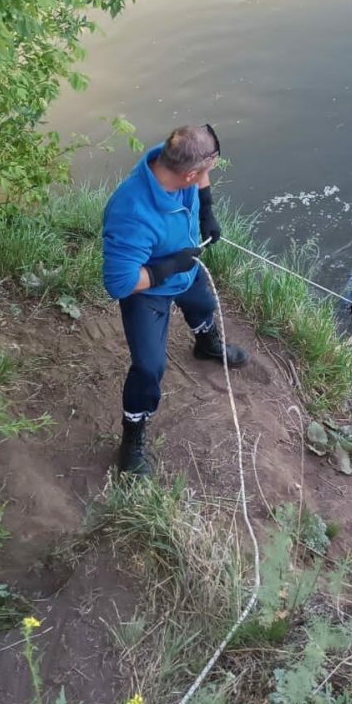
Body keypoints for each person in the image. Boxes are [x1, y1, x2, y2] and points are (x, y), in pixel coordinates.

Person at [103, 124, 249, 477]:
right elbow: (119, 283)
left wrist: (206, 210)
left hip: (185, 267)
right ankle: (132, 437)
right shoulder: (130, 212)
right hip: (147, 291)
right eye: (206, 171)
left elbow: (201, 175)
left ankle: (206, 344)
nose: (207, 175)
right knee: (149, 368)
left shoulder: (171, 156)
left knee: (203, 306)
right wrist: (166, 268)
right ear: (188, 174)